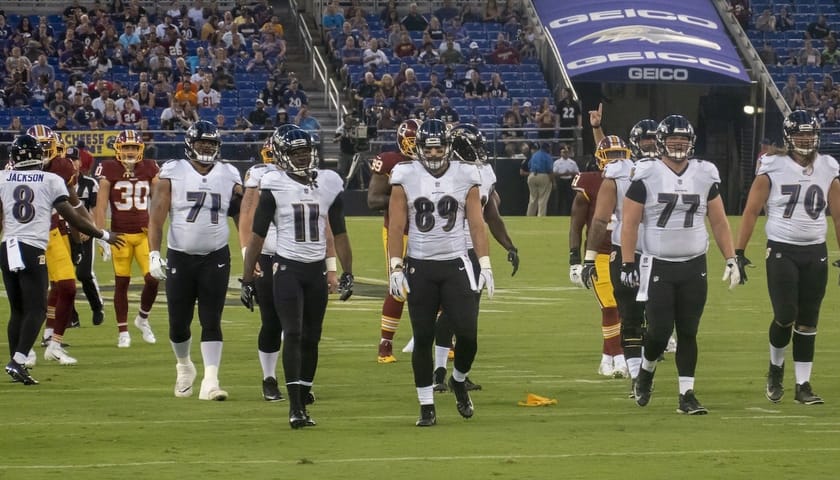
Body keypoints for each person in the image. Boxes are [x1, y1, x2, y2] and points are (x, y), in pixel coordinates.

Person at [620, 114, 743, 415]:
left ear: (691, 143)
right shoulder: (647, 173)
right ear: (661, 141)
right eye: (673, 139)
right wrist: (626, 263)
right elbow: (630, 223)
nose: (678, 144)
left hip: (693, 264)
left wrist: (731, 257)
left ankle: (686, 394)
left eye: (683, 140)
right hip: (657, 263)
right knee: (660, 332)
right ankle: (646, 372)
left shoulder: (703, 174)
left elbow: (719, 220)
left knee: (688, 331)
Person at [240, 128, 353, 428]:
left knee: (311, 337)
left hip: (316, 270)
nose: (302, 156)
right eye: (295, 152)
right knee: (292, 332)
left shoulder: (328, 182)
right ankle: (294, 407)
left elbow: (339, 231)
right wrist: (246, 276)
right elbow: (257, 235)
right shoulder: (273, 183)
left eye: (305, 151)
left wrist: (346, 270)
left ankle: (302, 396)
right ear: (280, 156)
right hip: (287, 267)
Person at [387, 118, 494, 426]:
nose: (433, 154)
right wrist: (395, 265)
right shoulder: (405, 174)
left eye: (438, 148)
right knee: (423, 337)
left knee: (468, 335)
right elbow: (396, 225)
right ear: (419, 148)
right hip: (419, 264)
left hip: (456, 262)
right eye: (428, 148)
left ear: (448, 147)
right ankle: (426, 406)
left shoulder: (465, 173)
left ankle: (459, 379)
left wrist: (484, 263)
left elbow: (476, 222)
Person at [736, 110, 840, 405]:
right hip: (782, 248)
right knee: (785, 315)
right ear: (788, 137)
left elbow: (838, 215)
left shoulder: (828, 167)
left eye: (809, 134)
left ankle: (803, 384)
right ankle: (776, 367)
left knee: (808, 320)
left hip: (815, 250)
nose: (805, 139)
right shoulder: (773, 165)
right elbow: (751, 211)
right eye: (799, 134)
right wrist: (739, 252)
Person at [2, 134, 123, 385]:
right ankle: (19, 360)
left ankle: (17, 361)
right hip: (32, 247)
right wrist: (103, 234)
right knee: (36, 309)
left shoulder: (3, 178)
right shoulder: (51, 179)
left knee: (18, 310)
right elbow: (74, 217)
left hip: (8, 246)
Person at [147, 120, 244, 401]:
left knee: (211, 319)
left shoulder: (229, 173)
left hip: (216, 255)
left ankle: (211, 381)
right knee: (179, 323)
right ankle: (184, 366)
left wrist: (249, 251)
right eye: (202, 143)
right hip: (180, 254)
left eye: (211, 144)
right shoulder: (173, 171)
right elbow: (157, 215)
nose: (206, 149)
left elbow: (244, 213)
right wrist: (154, 253)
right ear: (190, 144)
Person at [431, 124, 519, 392]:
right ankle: (438, 371)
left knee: (467, 316)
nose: (479, 151)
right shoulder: (442, 172)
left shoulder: (484, 172)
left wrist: (509, 245)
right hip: (445, 249)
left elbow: (491, 214)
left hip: (473, 250)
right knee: (448, 313)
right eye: (474, 146)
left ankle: (459, 372)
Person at [583, 111, 661, 395]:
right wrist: (587, 258)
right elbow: (599, 219)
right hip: (625, 250)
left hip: (663, 252)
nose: (651, 145)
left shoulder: (679, 169)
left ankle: (648, 365)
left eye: (655, 139)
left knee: (660, 320)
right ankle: (637, 377)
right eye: (646, 140)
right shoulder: (620, 170)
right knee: (629, 316)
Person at [94, 130, 160, 348]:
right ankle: (123, 331)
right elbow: (101, 204)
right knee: (122, 282)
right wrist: (101, 235)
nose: (130, 152)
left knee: (153, 278)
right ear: (118, 150)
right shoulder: (109, 168)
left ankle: (142, 318)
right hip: (120, 236)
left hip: (143, 234)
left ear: (140, 150)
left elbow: (161, 199)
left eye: (133, 148)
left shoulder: (150, 167)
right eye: (126, 148)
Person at [569, 135, 627, 379]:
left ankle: (607, 358)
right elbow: (576, 224)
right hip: (600, 253)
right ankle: (620, 357)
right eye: (610, 155)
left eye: (619, 155)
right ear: (599, 158)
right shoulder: (590, 182)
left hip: (626, 252)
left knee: (625, 307)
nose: (615, 160)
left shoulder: (634, 178)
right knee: (609, 305)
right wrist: (574, 259)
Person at [28, 126, 84, 365]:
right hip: (25, 237)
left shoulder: (61, 167)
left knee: (68, 287)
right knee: (28, 296)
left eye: (45, 145)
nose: (42, 150)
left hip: (52, 232)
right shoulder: (11, 172)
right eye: (37, 145)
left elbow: (73, 204)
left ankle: (54, 343)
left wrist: (83, 231)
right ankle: (24, 349)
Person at [367, 119, 419, 363]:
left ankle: (443, 340)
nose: (419, 147)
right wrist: (403, 197)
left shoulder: (436, 162)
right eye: (413, 142)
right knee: (399, 287)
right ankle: (385, 344)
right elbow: (374, 200)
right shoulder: (391, 162)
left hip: (429, 232)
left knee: (437, 285)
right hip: (399, 231)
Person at [66, 146, 105, 327]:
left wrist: (91, 229)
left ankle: (97, 307)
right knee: (62, 278)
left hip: (85, 233)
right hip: (62, 233)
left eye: (74, 159)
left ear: (80, 162)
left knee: (83, 274)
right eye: (67, 159)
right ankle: (71, 316)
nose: (71, 163)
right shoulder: (55, 181)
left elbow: (96, 211)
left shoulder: (90, 184)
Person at [526, 142, 553, 216]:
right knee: (543, 198)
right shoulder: (547, 156)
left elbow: (529, 165)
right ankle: (541, 216)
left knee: (533, 198)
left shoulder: (534, 154)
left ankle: (529, 216)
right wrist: (553, 181)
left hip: (532, 175)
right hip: (543, 175)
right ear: (547, 148)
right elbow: (549, 169)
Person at [551, 144, 579, 216]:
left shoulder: (572, 163)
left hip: (569, 180)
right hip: (561, 181)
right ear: (561, 153)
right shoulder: (557, 162)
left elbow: (577, 173)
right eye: (563, 152)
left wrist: (570, 173)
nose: (565, 154)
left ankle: (570, 214)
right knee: (560, 198)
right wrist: (563, 174)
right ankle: (559, 214)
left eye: (566, 152)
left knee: (570, 199)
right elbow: (554, 173)